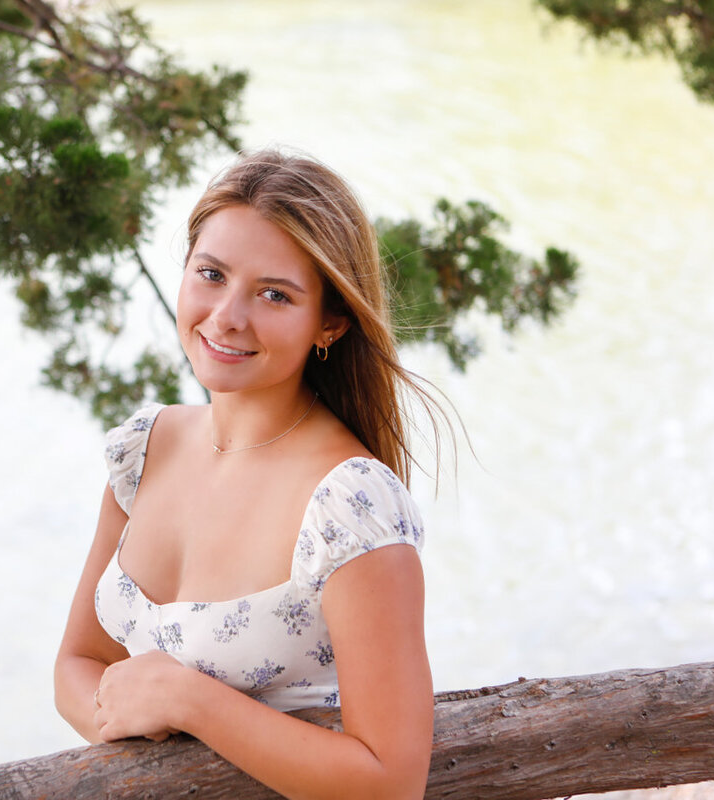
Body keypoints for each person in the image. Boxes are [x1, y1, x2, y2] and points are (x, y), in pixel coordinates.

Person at [54, 148, 445, 799]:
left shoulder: (350, 506)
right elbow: (78, 663)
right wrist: (134, 731)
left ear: (329, 323)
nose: (228, 315)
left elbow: (391, 781)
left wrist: (187, 701)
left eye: (274, 294)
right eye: (211, 274)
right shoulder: (142, 452)